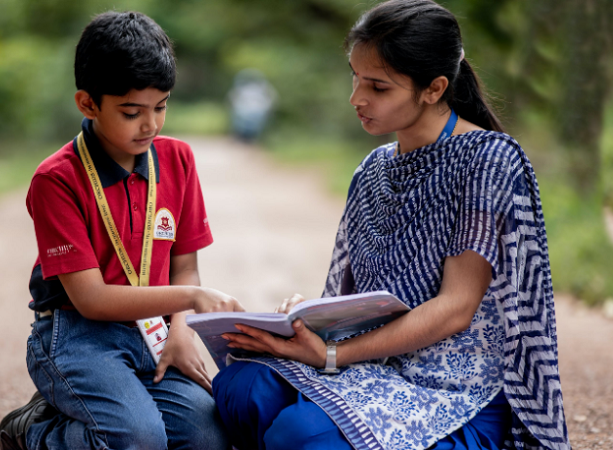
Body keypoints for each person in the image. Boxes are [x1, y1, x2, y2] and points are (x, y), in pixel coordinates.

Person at [212, 1, 570, 449]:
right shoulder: (373, 168)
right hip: (373, 363)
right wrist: (305, 322)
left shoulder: (489, 160)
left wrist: (331, 355)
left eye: (377, 86)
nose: (356, 98)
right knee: (240, 387)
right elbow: (352, 301)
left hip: (453, 390)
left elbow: (456, 308)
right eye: (355, 77)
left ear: (434, 88)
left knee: (297, 434)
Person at [0, 11, 242, 450]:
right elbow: (90, 300)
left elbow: (185, 267)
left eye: (161, 106)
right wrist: (190, 301)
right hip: (76, 334)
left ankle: (94, 408)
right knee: (138, 439)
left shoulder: (178, 160)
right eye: (132, 112)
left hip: (151, 331)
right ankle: (35, 431)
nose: (151, 124)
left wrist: (182, 332)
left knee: (210, 438)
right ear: (88, 104)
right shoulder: (57, 179)